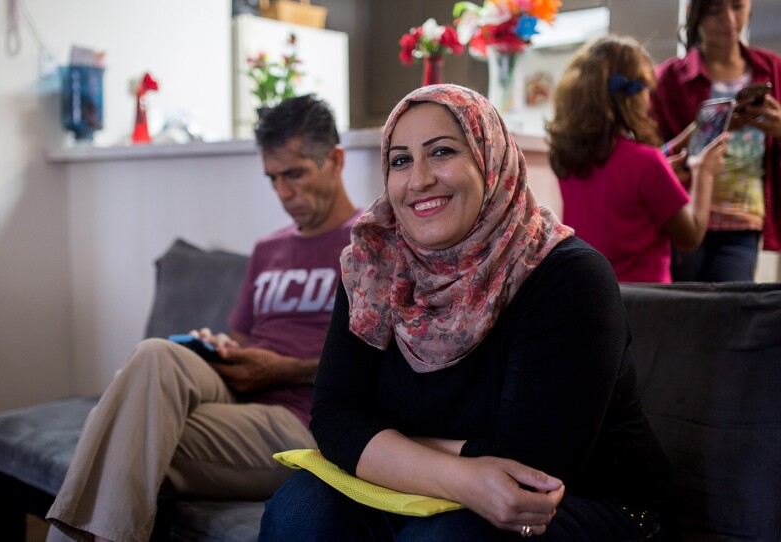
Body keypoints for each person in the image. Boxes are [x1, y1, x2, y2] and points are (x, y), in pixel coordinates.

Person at [259, 84, 676, 541]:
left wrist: (384, 444)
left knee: (450, 535)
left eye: (441, 152)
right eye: (400, 160)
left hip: (582, 502)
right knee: (302, 506)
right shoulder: (373, 265)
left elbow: (529, 468)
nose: (418, 179)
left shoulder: (569, 277)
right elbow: (334, 417)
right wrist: (459, 474)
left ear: (489, 158)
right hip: (437, 490)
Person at [46, 94, 360, 542]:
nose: (283, 193)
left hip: (301, 421)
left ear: (335, 160)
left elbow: (383, 363)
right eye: (272, 178)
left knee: (116, 437)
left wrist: (286, 369)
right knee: (158, 352)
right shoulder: (268, 248)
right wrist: (223, 348)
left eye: (295, 174)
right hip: (239, 395)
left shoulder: (370, 243)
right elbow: (242, 339)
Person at [548, 35, 727, 283]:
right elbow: (691, 236)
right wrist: (704, 173)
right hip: (646, 302)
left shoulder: (568, 159)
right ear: (634, 95)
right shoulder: (648, 163)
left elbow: (622, 192)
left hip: (591, 292)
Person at [652, 0, 781, 282]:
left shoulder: (772, 69)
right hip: (682, 216)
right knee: (682, 313)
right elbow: (652, 161)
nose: (729, 19)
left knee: (731, 315)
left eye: (738, 6)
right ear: (694, 13)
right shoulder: (666, 79)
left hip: (743, 219)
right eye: (715, 10)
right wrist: (712, 127)